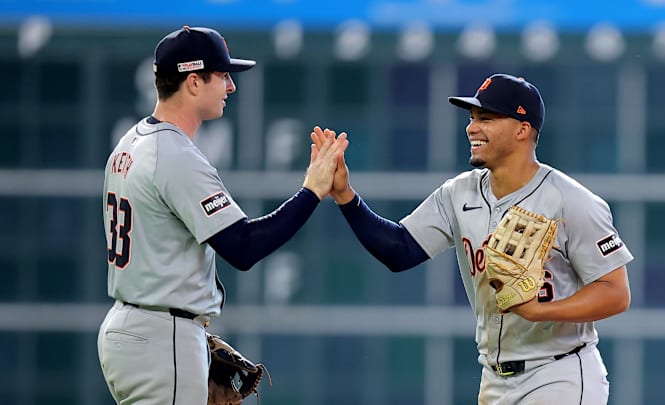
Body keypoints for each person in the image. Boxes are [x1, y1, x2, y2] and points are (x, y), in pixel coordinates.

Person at [315, 73, 632, 404]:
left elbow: (615, 293)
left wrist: (540, 311)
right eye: (472, 117)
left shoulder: (570, 201)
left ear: (523, 129)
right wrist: (345, 195)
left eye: (487, 118)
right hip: (494, 380)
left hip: (560, 373)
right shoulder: (459, 193)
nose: (472, 127)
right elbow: (399, 251)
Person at [97, 26, 348, 405]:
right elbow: (243, 247)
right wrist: (312, 190)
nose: (230, 86)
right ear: (194, 81)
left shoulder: (129, 144)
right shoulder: (174, 154)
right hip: (161, 336)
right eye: (223, 75)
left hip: (129, 329)